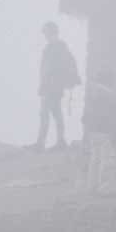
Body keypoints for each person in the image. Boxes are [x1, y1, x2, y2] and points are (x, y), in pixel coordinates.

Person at [35, 21, 80, 152]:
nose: (45, 36)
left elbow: (51, 69)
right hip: (52, 86)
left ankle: (41, 143)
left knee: (45, 113)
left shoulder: (56, 47)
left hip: (51, 86)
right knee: (55, 113)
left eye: (46, 33)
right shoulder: (56, 47)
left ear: (50, 32)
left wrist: (47, 83)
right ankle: (59, 141)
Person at [82, 70, 116, 196]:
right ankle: (105, 189)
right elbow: (113, 116)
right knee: (108, 160)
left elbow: (85, 116)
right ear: (109, 80)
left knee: (95, 160)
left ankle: (91, 187)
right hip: (105, 130)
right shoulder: (109, 95)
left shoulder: (92, 93)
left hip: (93, 131)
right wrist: (115, 131)